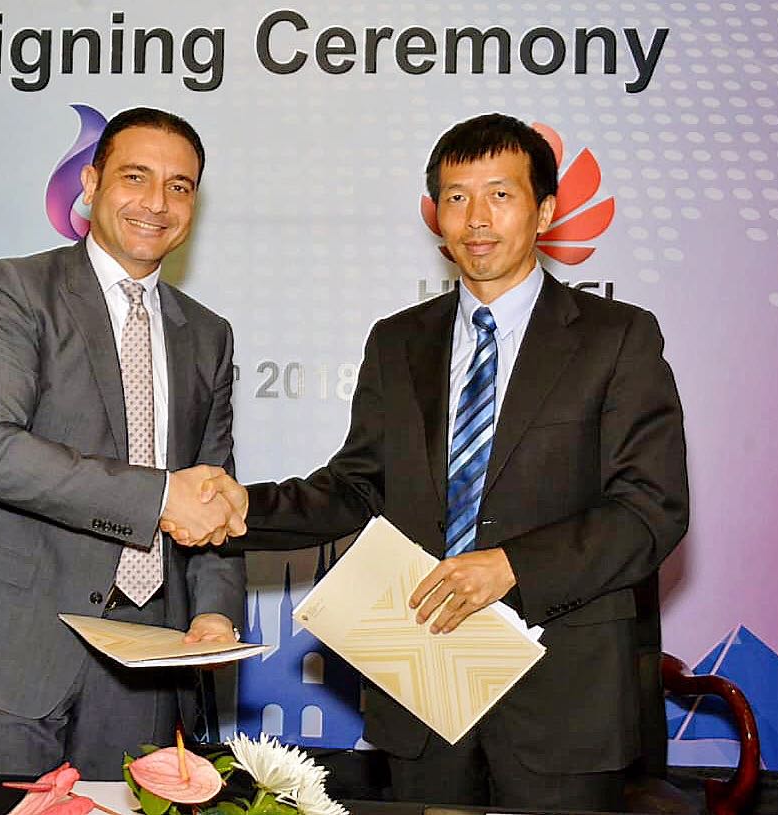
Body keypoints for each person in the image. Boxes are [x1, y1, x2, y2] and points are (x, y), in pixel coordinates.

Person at [169, 113, 689, 811]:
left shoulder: (617, 338)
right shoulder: (398, 341)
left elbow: (650, 508)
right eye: (455, 197)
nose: (476, 219)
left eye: (500, 195)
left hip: (562, 698)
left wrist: (513, 566)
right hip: (421, 684)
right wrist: (244, 508)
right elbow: (355, 487)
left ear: (545, 211)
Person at [0, 107, 247, 779]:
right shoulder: (13, 288)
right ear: (90, 184)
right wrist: (159, 497)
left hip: (146, 660)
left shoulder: (208, 334)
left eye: (179, 186)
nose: (157, 202)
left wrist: (214, 612)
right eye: (135, 177)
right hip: (11, 645)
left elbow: (211, 491)